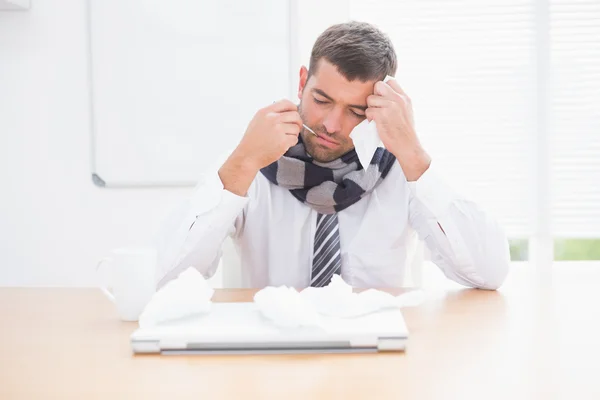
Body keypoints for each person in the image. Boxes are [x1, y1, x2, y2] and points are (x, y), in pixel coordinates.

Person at [155, 21, 509, 290]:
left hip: (377, 373)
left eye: (355, 111)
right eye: (321, 100)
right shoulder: (250, 161)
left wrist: (413, 152)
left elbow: (489, 273)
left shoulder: (401, 169)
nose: (331, 124)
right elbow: (165, 281)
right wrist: (242, 164)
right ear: (302, 82)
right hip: (272, 368)